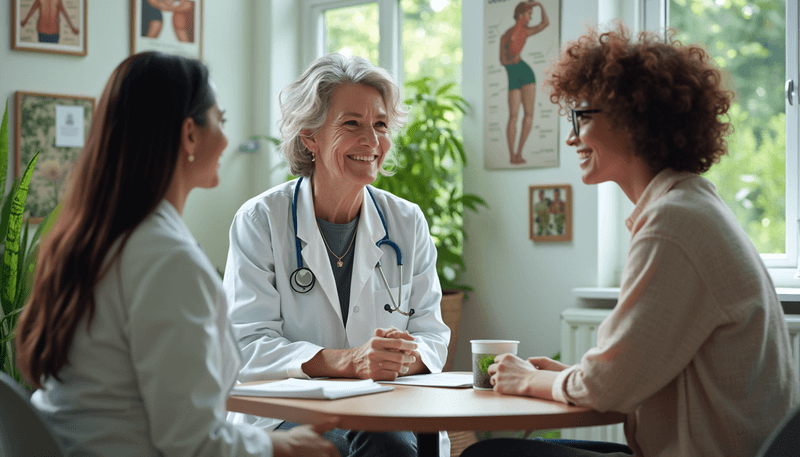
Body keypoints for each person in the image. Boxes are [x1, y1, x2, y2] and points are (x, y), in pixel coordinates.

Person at [464, 23, 800, 457]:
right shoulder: (691, 206)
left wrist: (529, 379)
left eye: (581, 117)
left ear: (634, 118)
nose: (571, 136)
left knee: (489, 455)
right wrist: (566, 376)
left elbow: (605, 390)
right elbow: (627, 375)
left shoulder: (672, 224)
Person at [14, 51, 338, 457]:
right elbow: (192, 442)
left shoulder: (89, 239)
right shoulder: (167, 260)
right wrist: (283, 445)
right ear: (189, 134)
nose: (225, 139)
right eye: (220, 121)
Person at [224, 53, 451, 457]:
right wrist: (350, 361)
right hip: (292, 411)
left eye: (380, 125)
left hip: (388, 406)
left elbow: (431, 334)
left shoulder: (405, 221)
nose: (372, 140)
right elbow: (247, 345)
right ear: (309, 135)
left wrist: (395, 359)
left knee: (389, 440)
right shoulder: (261, 220)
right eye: (352, 124)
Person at [500, 0, 549, 165]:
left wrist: (540, 6)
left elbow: (545, 23)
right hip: (513, 73)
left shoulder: (527, 32)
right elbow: (502, 60)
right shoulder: (506, 35)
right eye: (529, 14)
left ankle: (519, 153)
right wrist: (510, 60)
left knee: (528, 114)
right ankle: (511, 155)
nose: (530, 17)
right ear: (521, 15)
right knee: (513, 116)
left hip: (525, 73)